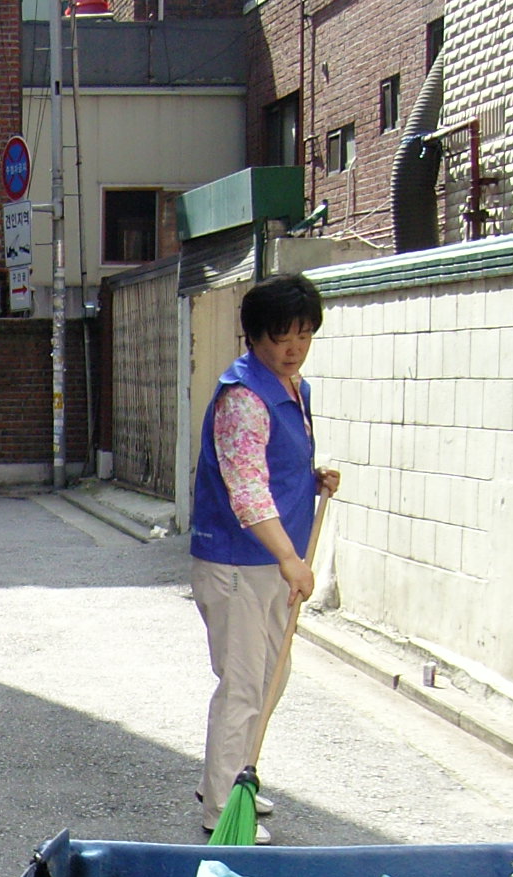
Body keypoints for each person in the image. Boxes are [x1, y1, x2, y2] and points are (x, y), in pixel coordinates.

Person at [188, 272, 343, 840]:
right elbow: (247, 488)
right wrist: (288, 557)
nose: (294, 346)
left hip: (269, 565)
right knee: (246, 685)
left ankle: (231, 781)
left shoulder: (292, 388)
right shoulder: (244, 399)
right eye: (282, 336)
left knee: (268, 681)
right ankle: (223, 810)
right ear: (255, 336)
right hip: (238, 565)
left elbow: (274, 466)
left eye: (304, 334)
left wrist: (311, 476)